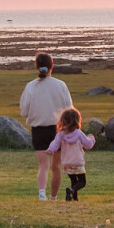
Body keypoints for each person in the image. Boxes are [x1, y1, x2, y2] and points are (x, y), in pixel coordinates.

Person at [20, 52, 74, 200]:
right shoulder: (60, 85)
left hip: (38, 130)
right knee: (56, 167)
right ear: (52, 66)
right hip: (58, 129)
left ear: (36, 67)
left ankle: (42, 194)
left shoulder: (30, 86)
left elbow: (24, 111)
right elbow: (69, 108)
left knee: (43, 166)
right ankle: (53, 197)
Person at [47, 107, 95, 201]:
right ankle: (72, 190)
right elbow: (88, 145)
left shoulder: (61, 134)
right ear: (77, 120)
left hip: (67, 163)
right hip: (77, 163)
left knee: (73, 181)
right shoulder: (79, 133)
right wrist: (92, 138)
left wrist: (50, 150)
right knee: (82, 182)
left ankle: (73, 198)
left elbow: (55, 144)